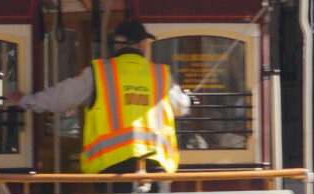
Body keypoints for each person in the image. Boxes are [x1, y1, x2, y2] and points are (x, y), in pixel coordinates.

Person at [15, 20, 190, 176]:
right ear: (142, 44)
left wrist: (26, 101)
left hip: (111, 167)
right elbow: (182, 107)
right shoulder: (161, 75)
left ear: (116, 45)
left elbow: (61, 97)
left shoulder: (98, 74)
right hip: (156, 166)